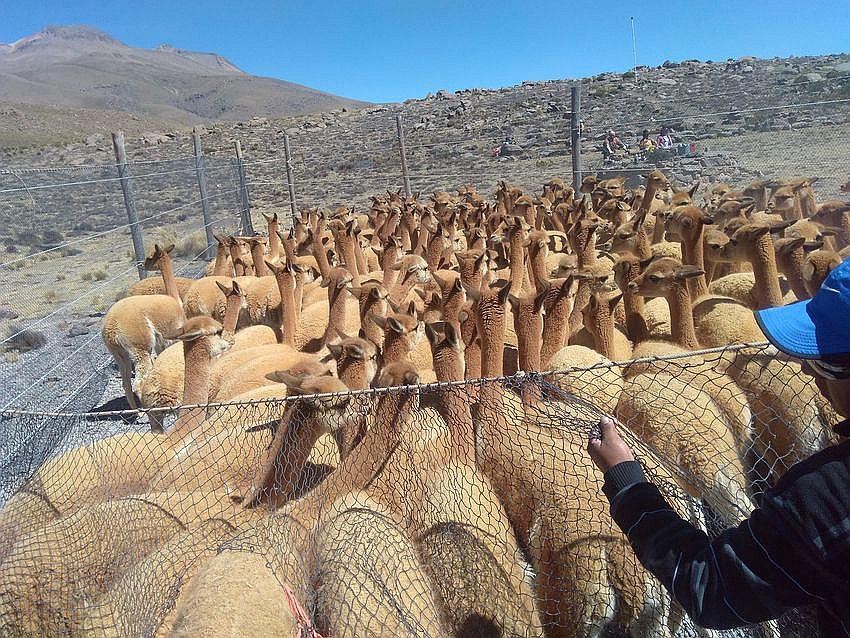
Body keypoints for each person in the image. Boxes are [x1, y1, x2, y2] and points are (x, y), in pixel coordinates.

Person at [587, 256, 850, 636]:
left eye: (823, 360)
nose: (807, 369)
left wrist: (626, 479)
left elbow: (714, 586)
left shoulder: (826, 497)